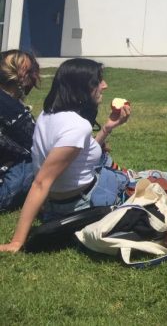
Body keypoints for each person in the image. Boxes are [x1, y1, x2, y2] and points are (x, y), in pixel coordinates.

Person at [0, 58, 132, 253]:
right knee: (140, 182)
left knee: (110, 166)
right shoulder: (77, 126)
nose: (105, 86)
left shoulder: (48, 115)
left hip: (58, 202)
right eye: (98, 81)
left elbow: (79, 157)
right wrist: (17, 242)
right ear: (82, 87)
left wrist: (107, 128)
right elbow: (40, 183)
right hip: (84, 201)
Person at [0, 50, 41, 212]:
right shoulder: (10, 107)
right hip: (3, 193)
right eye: (32, 72)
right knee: (52, 159)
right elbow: (39, 144)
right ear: (22, 75)